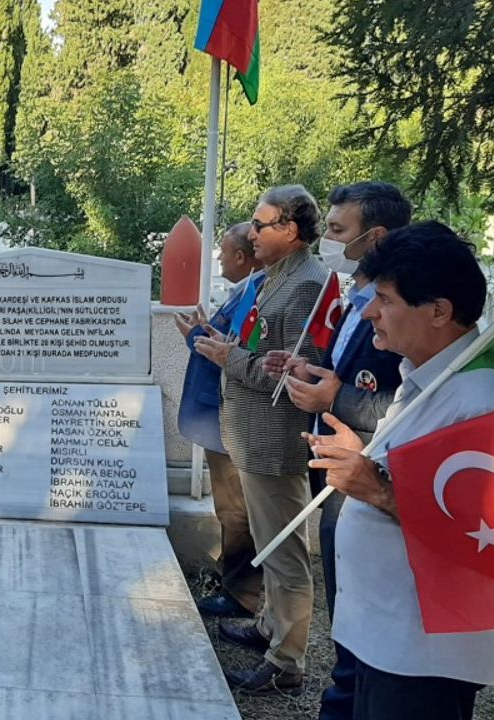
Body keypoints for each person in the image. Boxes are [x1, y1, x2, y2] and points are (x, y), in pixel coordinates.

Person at [307, 222, 494, 720]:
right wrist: (363, 459)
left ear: (439, 311)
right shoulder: (421, 379)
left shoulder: (486, 399)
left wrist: (375, 488)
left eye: (384, 298)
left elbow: (488, 536)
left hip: (422, 651)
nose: (369, 310)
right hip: (377, 632)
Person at [264, 180, 411, 719]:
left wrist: (337, 395)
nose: (327, 241)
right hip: (339, 462)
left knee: (362, 610)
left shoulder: (406, 308)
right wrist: (316, 373)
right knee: (344, 603)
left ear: (376, 236)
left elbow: (404, 404)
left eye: (336, 231)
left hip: (374, 472)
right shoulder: (362, 294)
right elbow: (351, 369)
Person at [193, 184, 329, 695]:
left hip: (274, 441)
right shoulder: (275, 278)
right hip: (250, 434)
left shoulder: (306, 286)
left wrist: (230, 360)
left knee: (286, 555)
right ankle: (270, 628)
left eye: (260, 224)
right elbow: (264, 348)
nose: (250, 233)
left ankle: (286, 663)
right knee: (271, 548)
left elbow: (301, 375)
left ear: (291, 231)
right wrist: (230, 348)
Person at [175, 222, 264, 619]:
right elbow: (227, 342)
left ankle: (242, 594)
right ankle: (233, 579)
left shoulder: (256, 293)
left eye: (225, 252)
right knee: (230, 507)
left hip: (228, 417)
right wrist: (201, 333)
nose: (221, 259)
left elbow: (235, 353)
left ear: (241, 257)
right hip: (217, 415)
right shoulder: (244, 292)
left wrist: (199, 337)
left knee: (235, 509)